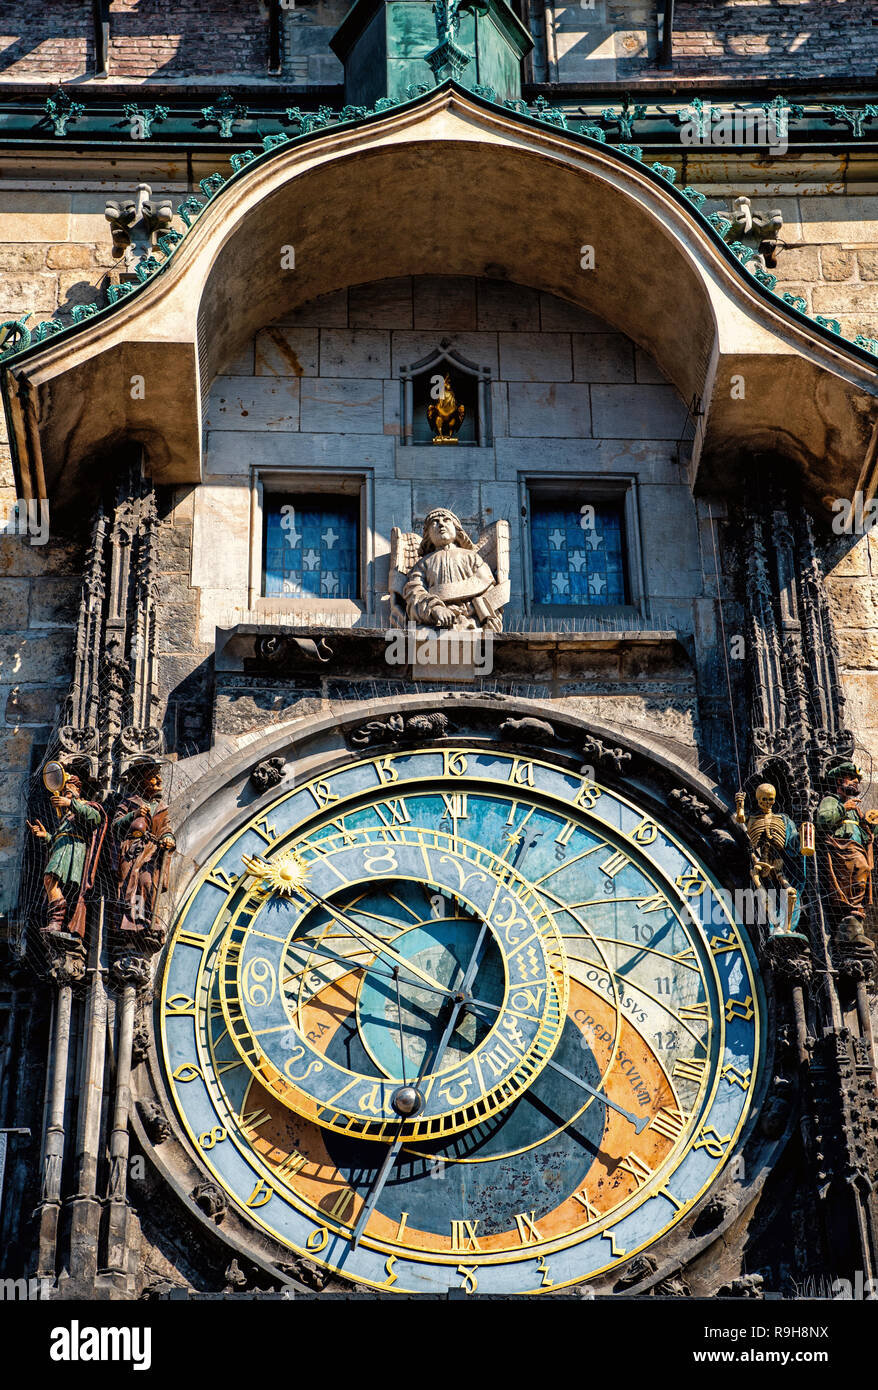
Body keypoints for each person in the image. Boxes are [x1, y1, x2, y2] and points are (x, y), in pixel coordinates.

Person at [27, 770, 106, 942]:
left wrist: (70, 803)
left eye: (68, 792)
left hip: (73, 850)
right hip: (62, 850)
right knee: (52, 881)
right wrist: (45, 836)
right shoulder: (65, 818)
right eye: (64, 793)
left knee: (50, 879)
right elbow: (56, 840)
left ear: (77, 791)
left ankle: (57, 921)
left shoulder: (86, 806)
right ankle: (56, 922)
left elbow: (96, 818)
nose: (64, 796)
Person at [402, 508, 502, 632]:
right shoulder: (422, 564)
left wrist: (483, 614)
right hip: (434, 624)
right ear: (428, 534)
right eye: (435, 522)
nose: (441, 524)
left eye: (446, 520)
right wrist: (435, 609)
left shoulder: (472, 557)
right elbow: (414, 592)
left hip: (471, 622)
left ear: (456, 529)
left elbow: (487, 587)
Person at [113, 760, 176, 940]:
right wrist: (135, 815)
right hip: (131, 851)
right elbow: (116, 827)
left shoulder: (161, 808)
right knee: (130, 886)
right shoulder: (129, 803)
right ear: (142, 782)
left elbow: (166, 830)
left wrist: (168, 840)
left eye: (158, 777)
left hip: (151, 852)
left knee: (147, 883)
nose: (158, 781)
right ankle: (131, 920)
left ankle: (147, 918)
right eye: (152, 778)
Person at [816, 760, 876, 940]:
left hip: (857, 850)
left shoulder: (855, 809)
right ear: (839, 782)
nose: (855, 782)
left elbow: (865, 833)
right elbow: (823, 820)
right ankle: (848, 925)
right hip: (843, 851)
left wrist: (871, 824)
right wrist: (843, 808)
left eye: (856, 779)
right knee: (856, 876)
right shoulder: (831, 800)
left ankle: (854, 919)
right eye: (850, 779)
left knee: (862, 878)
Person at [744, 782, 805, 935]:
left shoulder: (783, 820)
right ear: (758, 800)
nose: (767, 803)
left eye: (770, 799)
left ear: (775, 799)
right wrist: (739, 807)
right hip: (759, 862)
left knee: (791, 892)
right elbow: (741, 824)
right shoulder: (751, 819)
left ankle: (788, 927)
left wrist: (804, 835)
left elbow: (792, 843)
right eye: (763, 800)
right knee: (762, 890)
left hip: (778, 863)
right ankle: (775, 924)